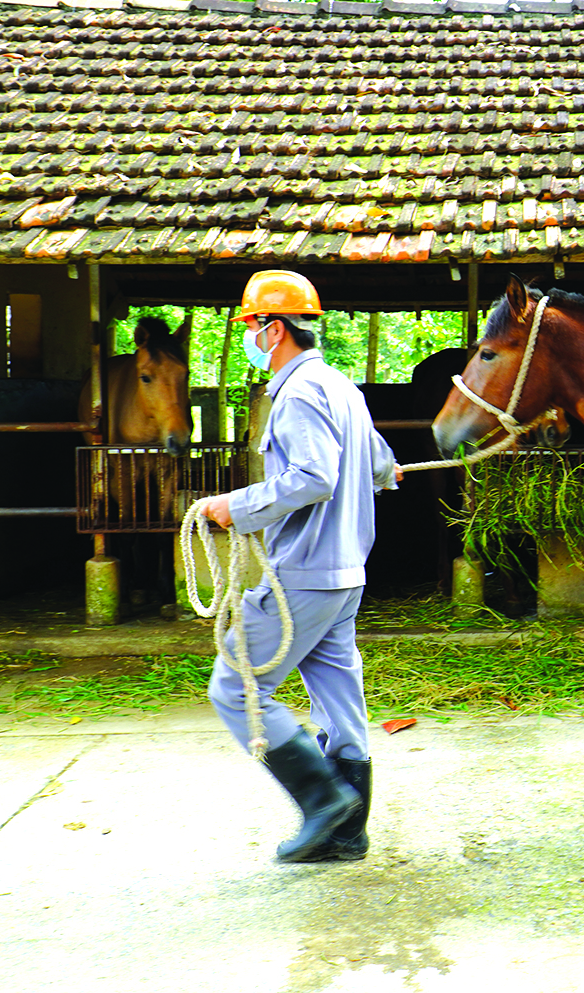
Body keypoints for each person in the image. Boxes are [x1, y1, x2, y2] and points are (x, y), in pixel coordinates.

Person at [200, 268, 401, 863]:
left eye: (251, 325)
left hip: (307, 573)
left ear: (275, 328)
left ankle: (321, 801)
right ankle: (348, 834)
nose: (248, 336)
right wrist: (381, 474)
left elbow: (314, 478)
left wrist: (234, 507)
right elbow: (380, 467)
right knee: (339, 702)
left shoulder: (297, 392)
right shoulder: (341, 386)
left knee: (235, 686)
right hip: (347, 575)